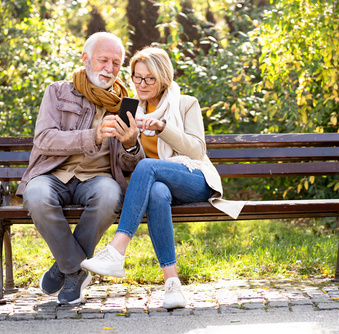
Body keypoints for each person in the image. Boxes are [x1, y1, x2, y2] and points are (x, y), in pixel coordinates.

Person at [80, 46, 244, 309]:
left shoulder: (185, 103)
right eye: (136, 77)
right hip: (158, 185)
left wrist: (162, 128)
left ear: (163, 77)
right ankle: (172, 286)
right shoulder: (130, 109)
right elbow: (127, 161)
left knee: (148, 168)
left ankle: (117, 250)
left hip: (194, 178)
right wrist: (130, 143)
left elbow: (197, 150)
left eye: (149, 78)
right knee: (156, 190)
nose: (141, 84)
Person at [18, 32, 145, 305]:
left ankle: (63, 266)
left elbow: (130, 164)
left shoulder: (126, 104)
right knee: (36, 195)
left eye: (116, 63)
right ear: (85, 59)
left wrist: (132, 144)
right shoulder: (57, 91)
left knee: (110, 196)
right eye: (103, 60)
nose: (110, 69)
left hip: (98, 179)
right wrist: (93, 136)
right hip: (54, 174)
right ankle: (75, 270)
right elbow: (44, 139)